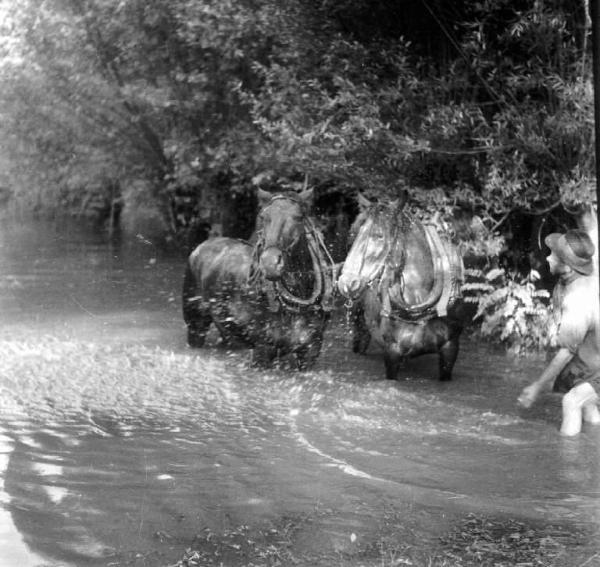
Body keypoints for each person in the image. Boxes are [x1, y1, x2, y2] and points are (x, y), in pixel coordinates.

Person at [517, 228, 600, 436]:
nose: (548, 257)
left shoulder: (579, 298)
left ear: (568, 267)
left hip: (595, 365)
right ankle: (592, 454)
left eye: (553, 255)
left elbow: (566, 351)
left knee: (571, 402)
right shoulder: (573, 282)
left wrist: (537, 386)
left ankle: (567, 464)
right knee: (588, 405)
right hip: (590, 362)